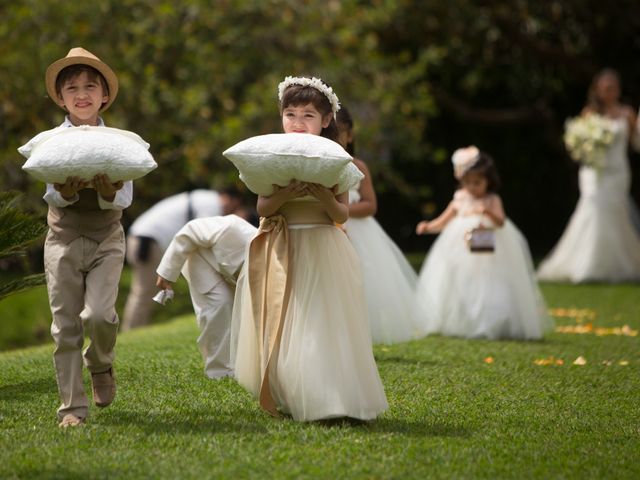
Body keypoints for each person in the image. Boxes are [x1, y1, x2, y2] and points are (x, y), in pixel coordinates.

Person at [231, 76, 388, 421]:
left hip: (323, 244)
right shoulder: (273, 156)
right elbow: (263, 208)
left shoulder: (335, 158)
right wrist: (286, 193)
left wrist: (322, 196)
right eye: (290, 115)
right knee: (288, 317)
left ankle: (332, 396)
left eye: (307, 116)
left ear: (326, 120)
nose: (298, 123)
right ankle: (293, 388)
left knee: (322, 318)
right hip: (285, 245)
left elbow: (342, 212)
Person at [41, 47, 132, 427]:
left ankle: (100, 363)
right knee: (65, 327)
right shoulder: (51, 143)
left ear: (104, 95)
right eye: (72, 88)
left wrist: (107, 188)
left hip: (106, 238)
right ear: (60, 98)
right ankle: (72, 409)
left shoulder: (119, 142)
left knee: (99, 315)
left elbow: (124, 197)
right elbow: (50, 193)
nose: (82, 94)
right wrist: (67, 189)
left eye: (90, 86)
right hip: (61, 239)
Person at [415, 146, 552, 340]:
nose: (472, 187)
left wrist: (486, 211)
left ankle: (493, 321)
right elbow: (443, 221)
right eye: (468, 182)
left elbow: (500, 221)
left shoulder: (492, 199)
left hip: (489, 248)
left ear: (489, 180)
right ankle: (461, 320)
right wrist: (429, 226)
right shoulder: (460, 199)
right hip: (460, 248)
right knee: (458, 280)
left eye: (477, 183)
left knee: (491, 282)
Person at [537, 69, 640, 282]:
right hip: (594, 173)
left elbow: (635, 143)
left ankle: (617, 265)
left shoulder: (627, 114)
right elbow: (579, 146)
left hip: (618, 172)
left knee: (616, 213)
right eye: (604, 88)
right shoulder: (590, 114)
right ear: (597, 90)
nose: (608, 92)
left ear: (618, 90)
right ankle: (587, 264)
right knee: (592, 210)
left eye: (612, 88)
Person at [336, 107, 424, 344]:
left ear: (350, 135)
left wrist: (340, 212)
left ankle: (360, 334)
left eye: (339, 133)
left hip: (359, 233)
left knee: (362, 281)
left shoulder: (358, 166)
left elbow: (370, 205)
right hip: (330, 231)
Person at [122, 186, 253, 330]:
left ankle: (134, 329)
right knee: (143, 293)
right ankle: (132, 331)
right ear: (229, 199)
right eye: (235, 206)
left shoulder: (205, 198)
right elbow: (202, 234)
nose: (232, 211)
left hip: (142, 237)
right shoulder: (212, 204)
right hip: (147, 241)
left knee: (143, 292)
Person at [155, 215, 257, 379]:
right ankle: (219, 372)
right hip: (201, 259)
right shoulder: (231, 229)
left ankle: (241, 366)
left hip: (228, 273)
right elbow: (189, 230)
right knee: (220, 305)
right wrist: (167, 271)